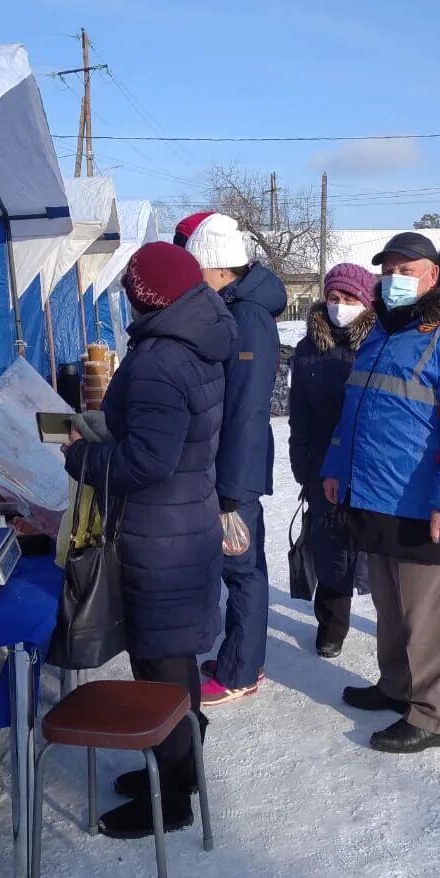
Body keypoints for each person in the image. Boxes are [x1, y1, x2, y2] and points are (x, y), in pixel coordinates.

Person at [61, 241, 237, 838]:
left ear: (143, 296)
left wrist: (82, 457)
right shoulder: (195, 335)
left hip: (161, 534)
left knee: (161, 665)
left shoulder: (163, 356)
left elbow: (149, 461)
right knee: (169, 661)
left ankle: (175, 798)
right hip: (180, 524)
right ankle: (176, 765)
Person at [322, 232, 440, 754]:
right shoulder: (381, 333)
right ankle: (397, 686)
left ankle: (432, 714)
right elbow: (352, 413)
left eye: (406, 268)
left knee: (428, 614)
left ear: (433, 275)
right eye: (388, 268)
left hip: (425, 505)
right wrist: (336, 468)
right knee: (390, 604)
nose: (393, 277)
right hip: (375, 496)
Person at [174, 212, 288, 707]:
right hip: (225, 467)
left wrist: (230, 489)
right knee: (237, 568)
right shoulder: (232, 309)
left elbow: (245, 408)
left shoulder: (247, 319)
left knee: (242, 571)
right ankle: (238, 656)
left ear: (217, 267)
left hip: (233, 473)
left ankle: (242, 670)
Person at [288, 263, 376, 658]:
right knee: (331, 547)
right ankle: (332, 625)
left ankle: (391, 624)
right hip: (324, 463)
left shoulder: (379, 343)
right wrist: (302, 463)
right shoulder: (309, 348)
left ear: (366, 302)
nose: (340, 306)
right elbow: (299, 413)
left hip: (371, 463)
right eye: (334, 298)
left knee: (376, 550)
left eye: (350, 299)